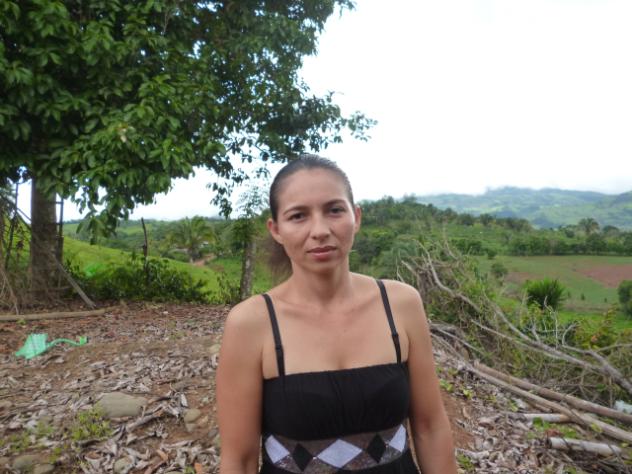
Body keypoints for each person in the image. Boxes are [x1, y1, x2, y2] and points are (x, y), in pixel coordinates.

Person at [216, 155, 457, 474]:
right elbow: (240, 459)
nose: (320, 230)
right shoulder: (252, 323)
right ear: (276, 230)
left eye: (334, 210)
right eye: (298, 216)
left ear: (356, 217)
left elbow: (430, 428)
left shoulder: (400, 304)